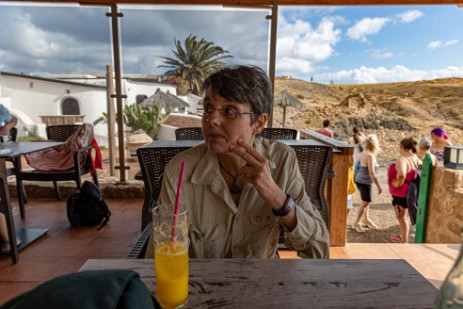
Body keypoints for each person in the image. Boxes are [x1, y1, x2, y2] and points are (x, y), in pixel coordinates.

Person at [146, 65, 329, 259]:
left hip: (260, 283)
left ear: (258, 123)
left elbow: (319, 251)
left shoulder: (282, 160)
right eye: (208, 108)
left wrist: (277, 197)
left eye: (229, 111)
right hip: (202, 285)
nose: (212, 120)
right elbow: (158, 258)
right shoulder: (179, 171)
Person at [387, 137, 422, 243]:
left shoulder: (403, 159)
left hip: (401, 193)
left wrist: (398, 183)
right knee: (404, 217)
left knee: (402, 218)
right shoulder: (415, 158)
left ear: (402, 146)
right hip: (410, 192)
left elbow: (402, 174)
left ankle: (404, 242)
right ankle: (403, 238)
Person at [353, 134, 382, 233]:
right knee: (365, 202)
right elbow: (372, 173)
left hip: (359, 179)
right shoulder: (370, 155)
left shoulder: (363, 153)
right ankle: (356, 223)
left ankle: (366, 220)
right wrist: (378, 186)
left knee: (365, 201)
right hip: (364, 181)